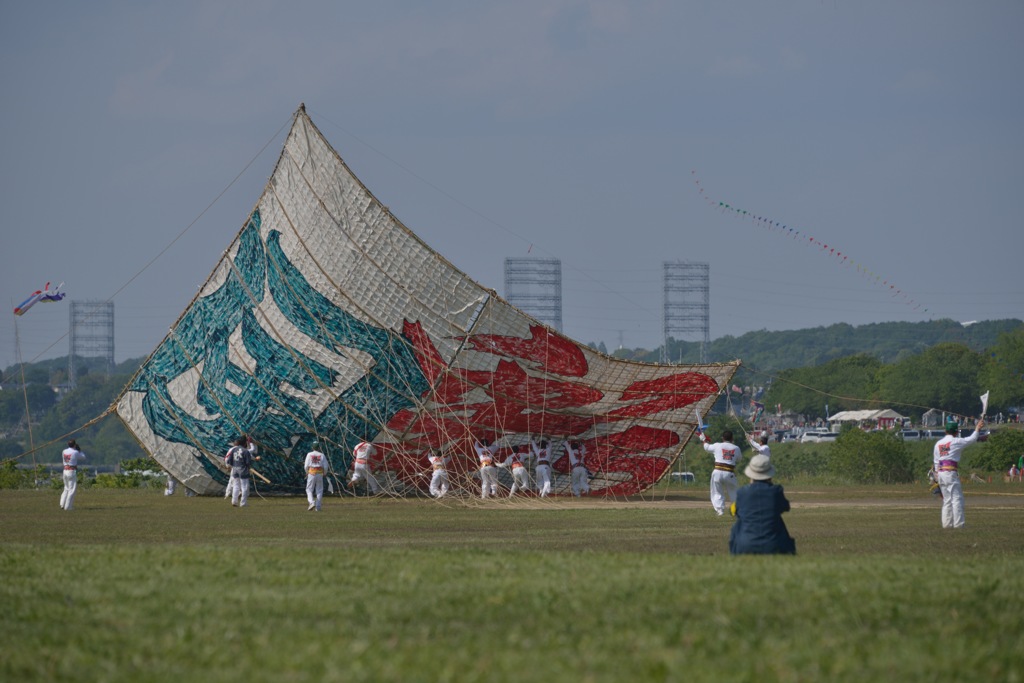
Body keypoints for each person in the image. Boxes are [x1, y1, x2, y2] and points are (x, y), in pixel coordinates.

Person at [729, 454, 796, 555]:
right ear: (769, 475)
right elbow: (785, 507)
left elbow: (733, 511)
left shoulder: (742, 492)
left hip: (744, 546)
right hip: (774, 545)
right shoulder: (776, 491)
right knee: (778, 520)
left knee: (738, 524)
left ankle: (735, 551)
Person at [933, 417, 984, 529]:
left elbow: (936, 462)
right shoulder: (955, 441)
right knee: (957, 498)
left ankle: (946, 525)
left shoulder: (938, 444)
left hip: (941, 473)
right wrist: (977, 428)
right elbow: (971, 439)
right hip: (950, 472)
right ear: (956, 432)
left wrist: (936, 477)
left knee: (947, 500)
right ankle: (959, 524)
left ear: (945, 431)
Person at [700, 428, 741, 516]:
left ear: (722, 438)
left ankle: (720, 511)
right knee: (734, 492)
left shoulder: (717, 445)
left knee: (717, 492)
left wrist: (703, 440)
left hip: (717, 472)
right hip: (729, 472)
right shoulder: (736, 448)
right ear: (732, 438)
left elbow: (706, 447)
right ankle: (737, 510)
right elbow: (739, 459)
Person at [225, 436, 261, 507]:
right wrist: (248, 468)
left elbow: (230, 461)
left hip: (235, 469)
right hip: (243, 470)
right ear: (245, 443)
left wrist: (234, 465)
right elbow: (248, 462)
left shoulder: (234, 450)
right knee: (244, 486)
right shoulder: (245, 451)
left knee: (236, 486)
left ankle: (234, 501)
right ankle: (243, 503)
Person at [59, 440, 86, 511]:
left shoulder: (64, 451)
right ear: (74, 445)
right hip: (71, 471)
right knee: (72, 490)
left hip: (65, 470)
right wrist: (79, 450)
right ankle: (68, 507)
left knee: (66, 488)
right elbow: (83, 457)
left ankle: (62, 503)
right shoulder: (75, 452)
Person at [304, 443, 329, 511]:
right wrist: (325, 473)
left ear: (312, 447)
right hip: (319, 473)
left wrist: (307, 472)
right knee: (319, 490)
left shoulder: (309, 454)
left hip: (311, 473)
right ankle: (318, 507)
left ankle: (311, 502)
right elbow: (326, 466)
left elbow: (306, 465)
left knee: (309, 489)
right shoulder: (322, 455)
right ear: (319, 448)